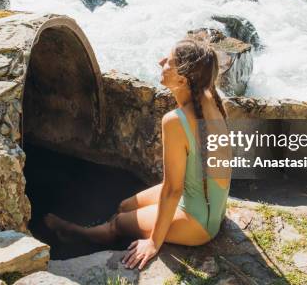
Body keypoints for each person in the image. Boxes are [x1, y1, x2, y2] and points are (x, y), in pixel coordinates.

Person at [44, 37, 231, 270]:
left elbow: (173, 190)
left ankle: (78, 233)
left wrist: (153, 242)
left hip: (200, 222)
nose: (160, 61)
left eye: (169, 62)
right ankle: (106, 230)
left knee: (120, 222)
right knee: (124, 205)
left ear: (183, 79)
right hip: (209, 203)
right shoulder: (211, 96)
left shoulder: (175, 121)